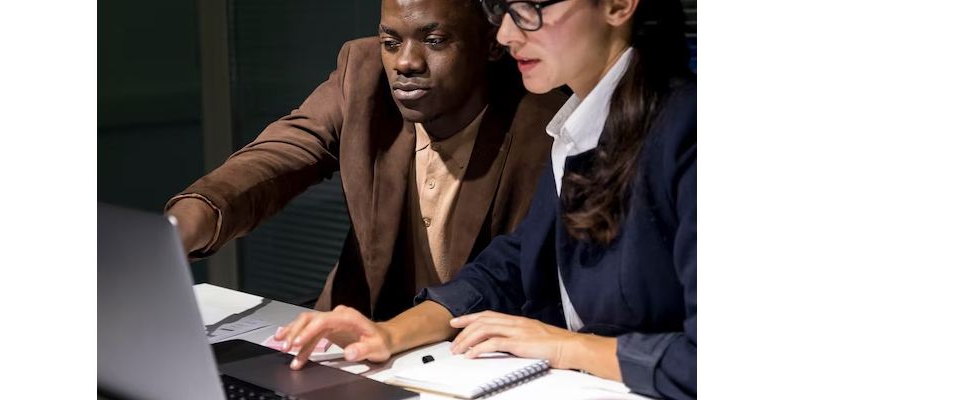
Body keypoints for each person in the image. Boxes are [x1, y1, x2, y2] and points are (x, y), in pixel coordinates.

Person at [271, 0, 697, 398]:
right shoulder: (582, 127)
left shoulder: (690, 131)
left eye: (529, 8)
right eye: (504, 9)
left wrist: (565, 346)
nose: (507, 33)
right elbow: (511, 266)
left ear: (618, 5)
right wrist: (389, 333)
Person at [166, 0, 567, 320]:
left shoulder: (544, 119)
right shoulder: (364, 76)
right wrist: (187, 223)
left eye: (434, 40)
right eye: (390, 42)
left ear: (492, 43)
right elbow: (282, 153)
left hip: (476, 355)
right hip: (356, 335)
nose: (405, 62)